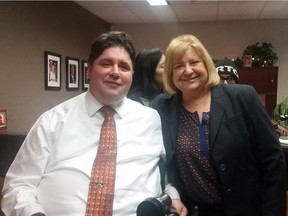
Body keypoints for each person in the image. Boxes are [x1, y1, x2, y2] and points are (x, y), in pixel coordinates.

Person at [1, 31, 187, 216]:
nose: (115, 72)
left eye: (123, 66)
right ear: (89, 69)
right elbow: (18, 184)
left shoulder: (151, 119)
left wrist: (173, 195)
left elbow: (167, 174)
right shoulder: (52, 120)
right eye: (106, 63)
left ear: (132, 73)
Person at [151, 34, 286, 216]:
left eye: (194, 62)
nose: (188, 70)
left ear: (206, 64)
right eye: (179, 66)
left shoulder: (242, 97)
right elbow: (160, 161)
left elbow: (273, 161)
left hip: (246, 210)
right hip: (192, 211)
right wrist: (171, 194)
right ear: (170, 73)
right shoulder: (162, 107)